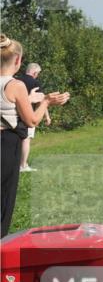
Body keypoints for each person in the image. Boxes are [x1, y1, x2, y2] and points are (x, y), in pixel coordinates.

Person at [1, 36, 70, 236]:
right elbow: (31, 120)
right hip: (6, 145)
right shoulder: (16, 85)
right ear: (17, 60)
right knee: (4, 197)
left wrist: (29, 99)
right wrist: (46, 102)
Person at [17, 62, 49, 172]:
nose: (37, 75)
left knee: (15, 139)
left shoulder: (16, 80)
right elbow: (42, 101)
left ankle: (14, 163)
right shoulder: (35, 83)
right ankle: (23, 165)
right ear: (35, 72)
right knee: (26, 139)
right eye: (38, 73)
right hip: (28, 114)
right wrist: (47, 116)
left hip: (15, 114)